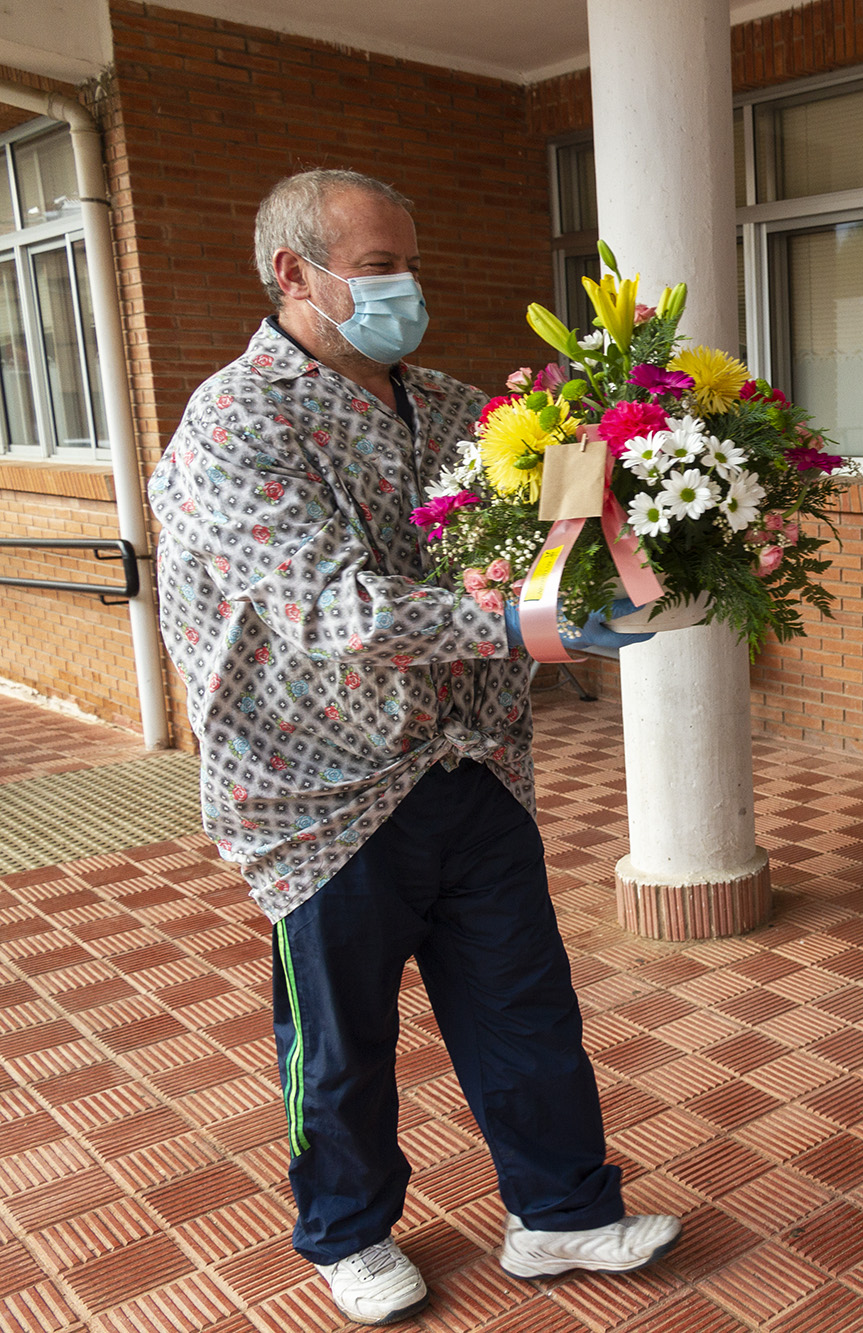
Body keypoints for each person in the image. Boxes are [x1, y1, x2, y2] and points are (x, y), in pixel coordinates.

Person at [148, 170, 677, 1326]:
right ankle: (346, 1230)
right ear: (294, 274)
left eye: (406, 261)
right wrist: (514, 623)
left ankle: (562, 1210)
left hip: (468, 760)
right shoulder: (239, 422)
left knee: (525, 1005)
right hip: (319, 790)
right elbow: (328, 608)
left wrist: (630, 529)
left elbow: (529, 531)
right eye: (378, 266)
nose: (405, 287)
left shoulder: (444, 403)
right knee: (340, 1042)